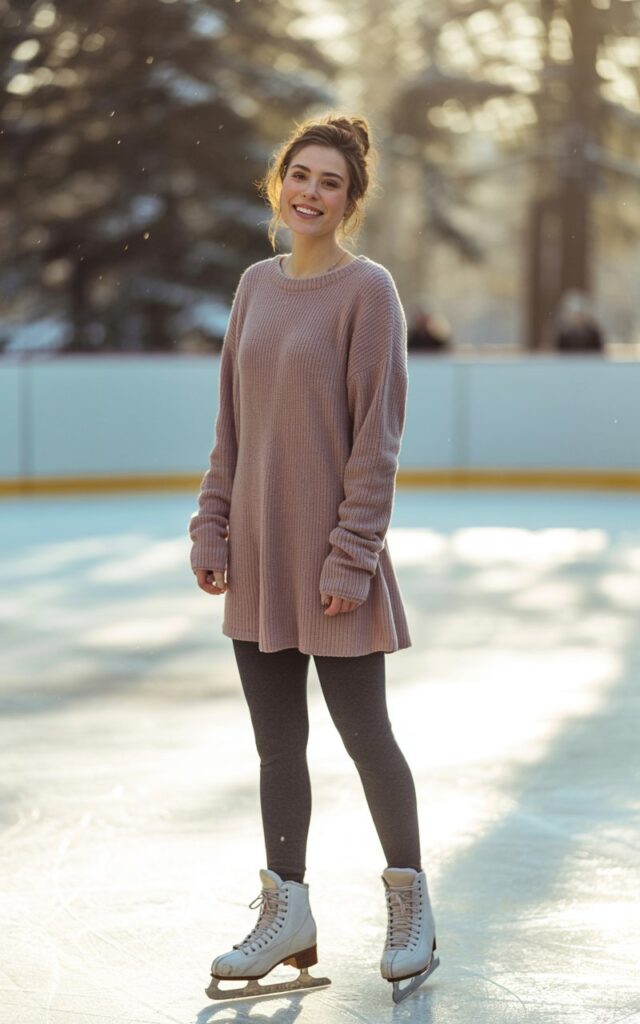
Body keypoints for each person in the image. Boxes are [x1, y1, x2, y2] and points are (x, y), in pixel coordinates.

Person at [188, 112, 439, 1005]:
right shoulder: (255, 287)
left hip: (334, 563)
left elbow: (378, 442)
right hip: (256, 556)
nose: (311, 193)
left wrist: (351, 556)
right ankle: (286, 911)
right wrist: (211, 524)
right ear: (277, 182)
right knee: (276, 746)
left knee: (366, 736)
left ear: (351, 200)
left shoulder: (369, 292)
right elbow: (232, 425)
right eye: (301, 174)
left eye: (331, 182)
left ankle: (411, 905)